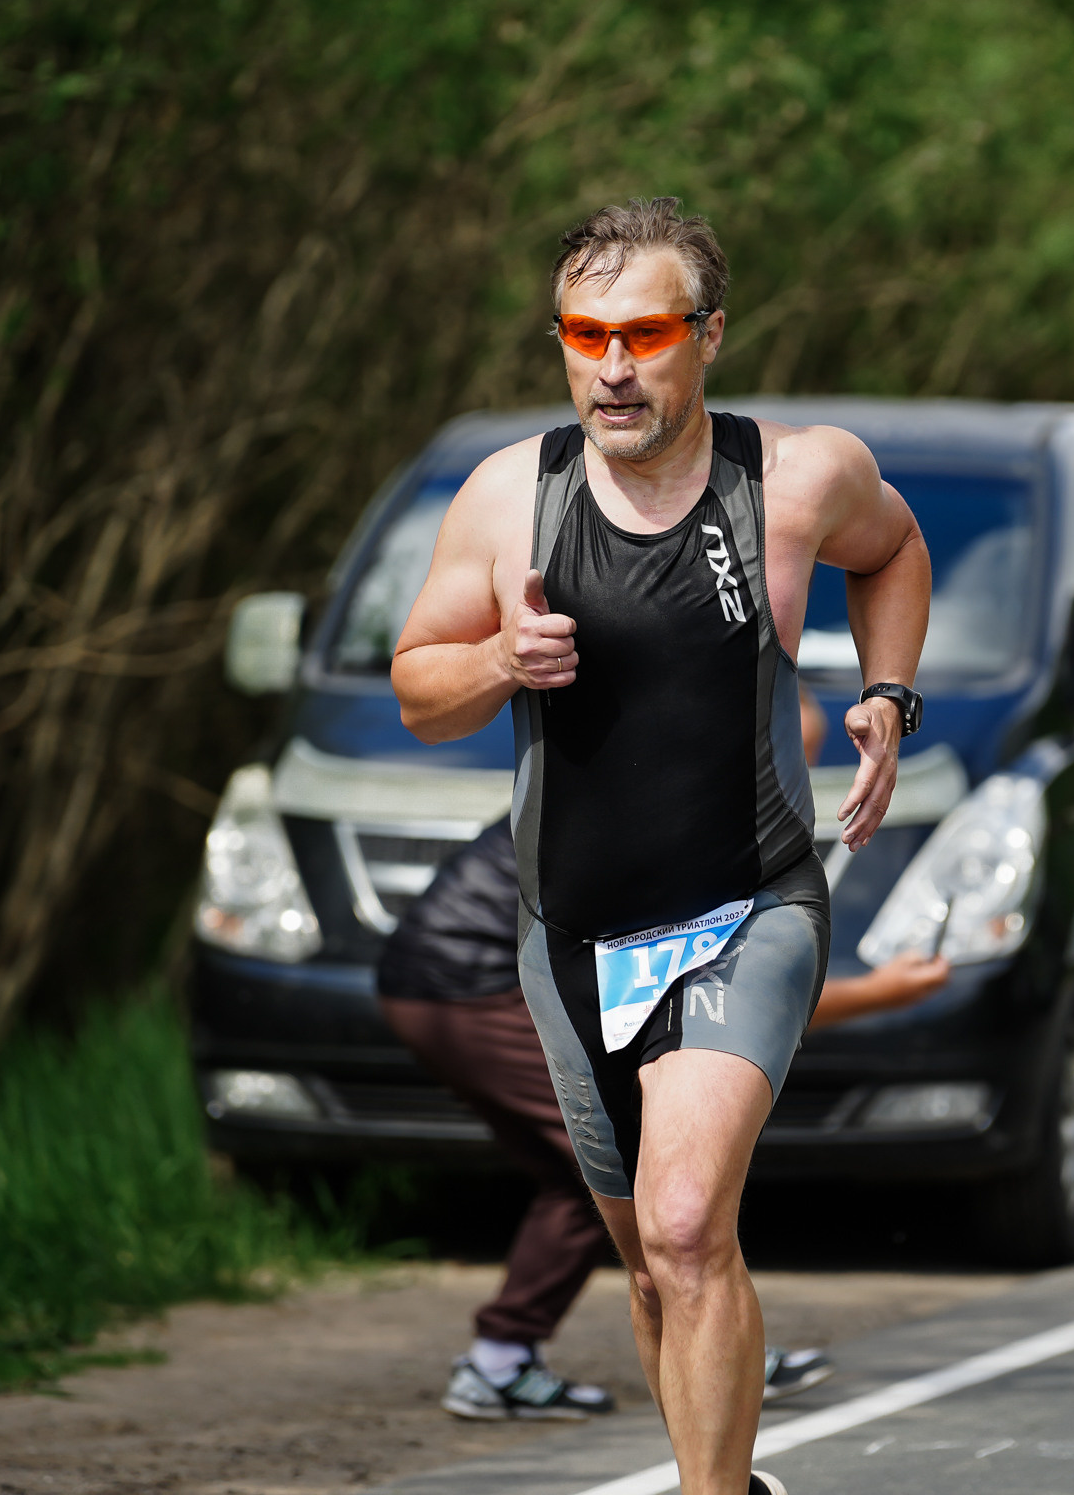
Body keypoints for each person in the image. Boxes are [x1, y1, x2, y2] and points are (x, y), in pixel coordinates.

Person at [391, 197, 930, 1495]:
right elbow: (418, 688)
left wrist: (888, 692)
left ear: (709, 336)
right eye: (586, 334)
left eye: (644, 333)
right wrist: (496, 659)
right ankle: (724, 1478)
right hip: (567, 937)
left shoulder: (796, 479)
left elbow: (897, 549)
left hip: (747, 908)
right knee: (651, 1265)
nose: (614, 366)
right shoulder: (507, 498)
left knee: (692, 1226)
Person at [376, 691, 948, 1423]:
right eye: (779, 751)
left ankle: (685, 1343)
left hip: (440, 977)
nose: (789, 774)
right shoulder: (678, 819)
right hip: (464, 984)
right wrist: (883, 994)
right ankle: (523, 1359)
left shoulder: (681, 795)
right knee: (613, 1166)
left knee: (630, 1175)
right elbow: (741, 988)